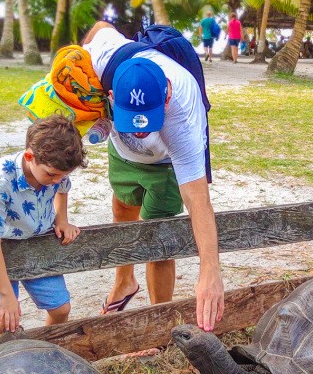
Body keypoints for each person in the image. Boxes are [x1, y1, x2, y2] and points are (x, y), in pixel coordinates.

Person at [81, 21, 225, 332]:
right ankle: (124, 282)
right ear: (110, 94)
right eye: (133, 120)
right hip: (123, 154)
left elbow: (198, 199)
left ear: (167, 94)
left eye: (149, 120)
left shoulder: (184, 113)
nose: (142, 130)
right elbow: (101, 27)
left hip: (165, 164)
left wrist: (210, 272)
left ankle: (158, 322)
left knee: (158, 238)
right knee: (122, 207)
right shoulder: (102, 57)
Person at [0, 115, 87, 336]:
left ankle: (42, 350)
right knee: (4, 321)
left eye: (63, 175)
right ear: (29, 156)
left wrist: (62, 220)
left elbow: (63, 188)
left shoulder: (56, 172)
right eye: (52, 174)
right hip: (0, 249)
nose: (56, 180)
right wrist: (7, 295)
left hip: (36, 242)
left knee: (61, 309)